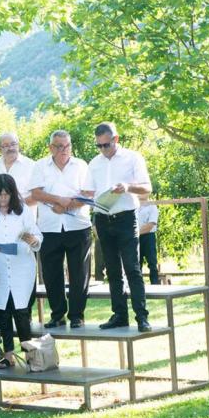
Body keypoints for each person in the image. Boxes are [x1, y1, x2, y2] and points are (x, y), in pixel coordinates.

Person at [82, 122, 153, 332]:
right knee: (112, 270)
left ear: (116, 139)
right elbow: (88, 192)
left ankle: (142, 316)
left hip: (125, 217)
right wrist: (87, 197)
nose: (103, 150)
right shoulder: (94, 164)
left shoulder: (133, 158)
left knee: (132, 267)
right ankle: (120, 315)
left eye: (106, 145)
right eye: (99, 146)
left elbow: (147, 189)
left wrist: (127, 187)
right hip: (103, 218)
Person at [0, 174, 42, 368]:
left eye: (7, 194)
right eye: (0, 195)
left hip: (21, 266)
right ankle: (8, 354)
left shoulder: (23, 212)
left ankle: (30, 355)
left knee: (21, 311)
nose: (3, 199)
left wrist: (33, 240)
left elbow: (37, 235)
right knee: (3, 311)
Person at [29, 130, 92, 329]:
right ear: (50, 148)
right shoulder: (40, 166)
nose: (63, 150)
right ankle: (57, 315)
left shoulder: (81, 165)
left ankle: (77, 315)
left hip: (78, 226)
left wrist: (67, 205)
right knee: (51, 273)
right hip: (49, 228)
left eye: (66, 146)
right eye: (58, 146)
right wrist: (58, 200)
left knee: (79, 273)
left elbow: (88, 192)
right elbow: (36, 193)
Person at [0, 132, 36, 212]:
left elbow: (38, 195)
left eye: (13, 144)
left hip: (24, 218)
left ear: (18, 145)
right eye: (6, 145)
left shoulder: (32, 166)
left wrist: (14, 205)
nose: (10, 148)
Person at [138, 195, 160, 285]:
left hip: (148, 237)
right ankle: (138, 285)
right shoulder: (133, 205)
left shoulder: (152, 206)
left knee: (152, 262)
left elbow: (151, 224)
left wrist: (135, 232)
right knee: (137, 262)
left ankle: (155, 284)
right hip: (135, 238)